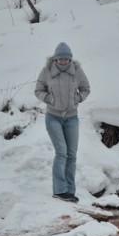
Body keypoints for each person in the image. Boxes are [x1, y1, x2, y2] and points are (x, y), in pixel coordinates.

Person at [34, 42, 91, 203]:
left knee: (72, 155)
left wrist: (77, 99)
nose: (64, 62)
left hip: (71, 117)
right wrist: (49, 99)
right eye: (61, 59)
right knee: (61, 152)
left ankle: (70, 191)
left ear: (70, 59)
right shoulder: (47, 71)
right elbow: (38, 90)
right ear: (55, 59)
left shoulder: (77, 71)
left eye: (66, 59)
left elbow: (86, 88)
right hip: (53, 117)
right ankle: (59, 190)